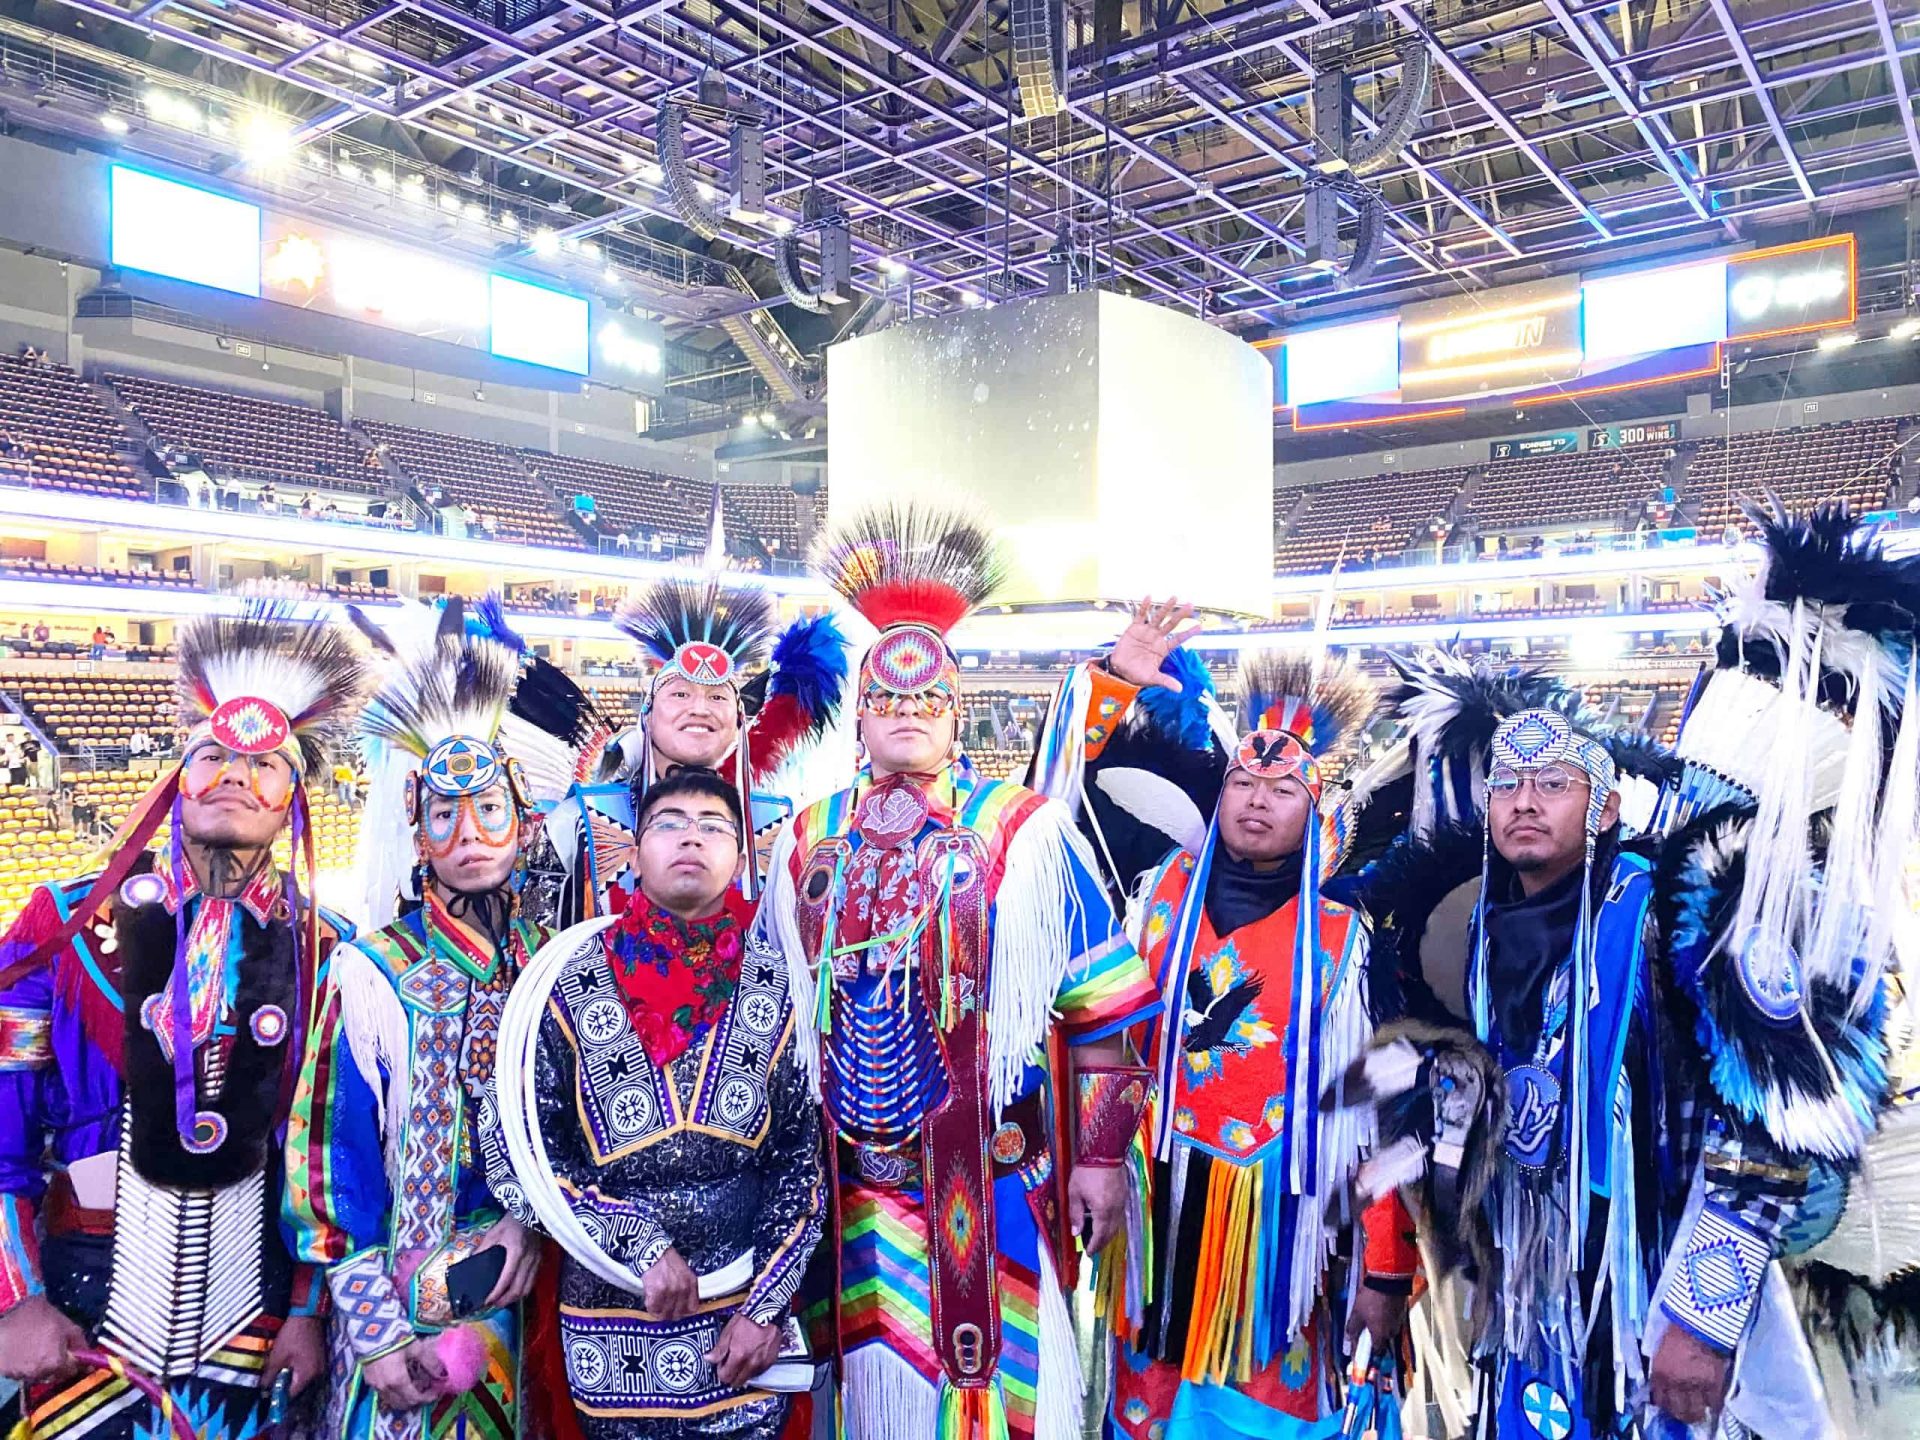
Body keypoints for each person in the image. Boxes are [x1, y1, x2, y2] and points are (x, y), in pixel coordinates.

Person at [1338, 509, 1902, 1440]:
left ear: (1602, 809)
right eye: (1509, 788)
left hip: (1658, 1292)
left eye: (1552, 784)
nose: (1525, 802)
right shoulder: (1482, 930)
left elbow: (1771, 1118)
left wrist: (1705, 1317)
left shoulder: (1682, 909)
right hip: (1533, 1293)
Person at [752, 506, 1163, 1439]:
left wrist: (1100, 1158)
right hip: (844, 1190)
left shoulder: (1023, 832)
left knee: (996, 1399)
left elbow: (1103, 1007)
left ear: (956, 713)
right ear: (860, 716)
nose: (906, 716)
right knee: (856, 1396)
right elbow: (772, 1016)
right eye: (888, 702)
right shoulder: (808, 837)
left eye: (925, 701)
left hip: (991, 1184)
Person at [0, 595, 370, 1439]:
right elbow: (0, 1124)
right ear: (177, 779)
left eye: (265, 764)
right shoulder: (61, 928)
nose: (235, 774)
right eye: (211, 755)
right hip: (82, 1306)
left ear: (292, 802)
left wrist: (311, 1310)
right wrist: (12, 1299)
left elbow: (333, 1151)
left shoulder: (330, 952)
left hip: (260, 1308)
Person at [284, 597, 600, 1439]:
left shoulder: (562, 965)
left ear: (523, 824)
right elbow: (329, 1157)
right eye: (443, 816)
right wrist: (374, 1332)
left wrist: (530, 1220)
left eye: (489, 810)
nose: (469, 833)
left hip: (536, 1308)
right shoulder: (371, 970)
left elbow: (588, 1128)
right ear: (417, 836)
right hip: (397, 1310)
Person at [1091, 653, 1418, 1440]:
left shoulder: (1346, 941)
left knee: (1261, 1412)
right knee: (1146, 1409)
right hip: (1155, 1213)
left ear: (1314, 813)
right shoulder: (1156, 898)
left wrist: (1385, 1266)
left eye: (1282, 791)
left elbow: (1376, 1110)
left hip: (1280, 1230)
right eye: (1244, 785)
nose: (1257, 802)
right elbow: (1107, 1040)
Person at [487, 769, 826, 1438]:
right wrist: (636, 1240)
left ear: (741, 855)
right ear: (634, 851)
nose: (691, 839)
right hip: (609, 1336)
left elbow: (801, 1163)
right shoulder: (564, 978)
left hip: (743, 1335)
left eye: (713, 826)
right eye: (670, 823)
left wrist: (765, 1307)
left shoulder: (785, 981)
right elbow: (517, 1146)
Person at [538, 579, 846, 926]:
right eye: (680, 695)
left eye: (717, 697)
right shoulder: (578, 821)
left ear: (739, 721)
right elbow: (536, 945)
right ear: (648, 715)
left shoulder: (778, 828)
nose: (700, 709)